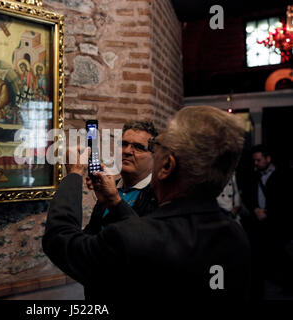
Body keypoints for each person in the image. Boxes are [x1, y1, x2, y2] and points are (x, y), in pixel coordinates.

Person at [43, 106, 250, 300]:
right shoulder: (236, 237)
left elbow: (61, 239)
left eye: (155, 146)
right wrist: (115, 203)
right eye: (124, 144)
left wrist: (73, 175)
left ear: (166, 165)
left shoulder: (136, 238)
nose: (127, 151)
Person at [84, 121, 158, 236]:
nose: (127, 151)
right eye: (124, 144)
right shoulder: (110, 187)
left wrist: (113, 200)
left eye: (138, 147)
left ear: (154, 155)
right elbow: (92, 233)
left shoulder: (158, 194)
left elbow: (144, 239)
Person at [241, 145, 292, 298]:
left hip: (277, 224)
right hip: (259, 224)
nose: (256, 163)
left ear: (268, 159)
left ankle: (287, 285)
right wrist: (255, 209)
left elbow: (285, 202)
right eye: (254, 161)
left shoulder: (283, 176)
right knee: (261, 256)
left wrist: (269, 213)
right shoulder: (254, 176)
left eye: (259, 160)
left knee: (281, 255)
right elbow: (249, 196)